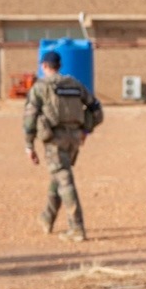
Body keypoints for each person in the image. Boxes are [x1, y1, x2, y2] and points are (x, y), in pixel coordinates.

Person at [23, 50, 103, 242]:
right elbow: (97, 110)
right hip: (74, 139)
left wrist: (29, 145)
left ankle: (76, 228)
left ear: (44, 66)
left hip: (54, 139)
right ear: (59, 66)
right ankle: (47, 217)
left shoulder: (40, 87)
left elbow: (30, 117)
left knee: (64, 179)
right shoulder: (75, 85)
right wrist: (85, 130)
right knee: (59, 176)